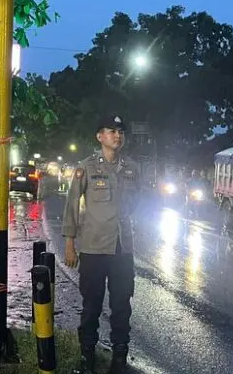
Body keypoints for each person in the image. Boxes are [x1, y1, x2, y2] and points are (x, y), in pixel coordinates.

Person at [63, 114, 141, 374]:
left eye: (120, 131)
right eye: (111, 131)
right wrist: (70, 244)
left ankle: (119, 358)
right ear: (100, 136)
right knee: (91, 306)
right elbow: (72, 205)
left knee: (121, 306)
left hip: (122, 248)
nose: (117, 135)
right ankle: (87, 358)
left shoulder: (132, 168)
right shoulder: (86, 167)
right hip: (94, 248)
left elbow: (137, 201)